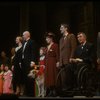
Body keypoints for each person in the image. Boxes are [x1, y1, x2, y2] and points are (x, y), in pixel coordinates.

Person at [59, 23, 77, 91]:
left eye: (61, 28)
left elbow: (73, 48)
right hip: (62, 61)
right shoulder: (61, 39)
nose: (60, 29)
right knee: (63, 77)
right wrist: (59, 61)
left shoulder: (71, 36)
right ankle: (64, 90)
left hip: (68, 59)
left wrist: (71, 57)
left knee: (69, 76)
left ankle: (70, 90)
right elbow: (60, 51)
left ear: (66, 28)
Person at [21, 31, 37, 96]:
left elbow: (33, 52)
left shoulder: (31, 42)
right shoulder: (24, 42)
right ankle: (27, 92)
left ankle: (31, 93)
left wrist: (33, 61)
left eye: (23, 35)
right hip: (24, 63)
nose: (22, 36)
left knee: (30, 77)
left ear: (27, 35)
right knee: (25, 77)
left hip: (29, 62)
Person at [45, 32, 59, 97]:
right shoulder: (47, 46)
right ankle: (50, 90)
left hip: (53, 62)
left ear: (51, 39)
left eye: (47, 38)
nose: (46, 40)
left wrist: (58, 61)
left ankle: (54, 91)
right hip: (48, 63)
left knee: (53, 75)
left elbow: (57, 54)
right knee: (48, 76)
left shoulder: (55, 45)